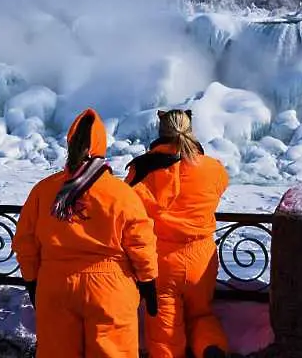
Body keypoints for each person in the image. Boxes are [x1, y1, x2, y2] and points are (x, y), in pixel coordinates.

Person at [12, 107, 160, 358]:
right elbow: (140, 242)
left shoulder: (44, 191)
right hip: (109, 288)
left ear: (70, 143)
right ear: (102, 148)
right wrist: (148, 281)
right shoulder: (121, 193)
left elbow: (25, 241)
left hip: (55, 285)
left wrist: (32, 281)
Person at [125, 109, 229, 358]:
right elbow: (221, 185)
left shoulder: (143, 169)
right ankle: (211, 348)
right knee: (201, 315)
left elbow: (125, 203)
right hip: (202, 260)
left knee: (165, 330)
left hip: (161, 262)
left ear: (161, 132)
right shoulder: (212, 167)